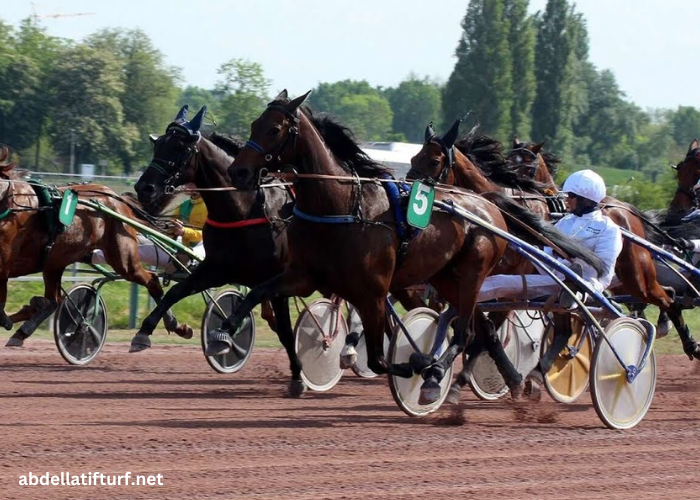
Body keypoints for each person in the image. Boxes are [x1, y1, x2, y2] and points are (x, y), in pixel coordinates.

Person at [477, 169, 623, 305]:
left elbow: (604, 274)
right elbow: (548, 257)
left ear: (586, 199)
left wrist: (586, 284)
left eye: (571, 196)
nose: (567, 200)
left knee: (577, 287)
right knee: (499, 282)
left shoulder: (608, 228)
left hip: (586, 283)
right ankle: (459, 295)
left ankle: (575, 295)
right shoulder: (565, 222)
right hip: (554, 279)